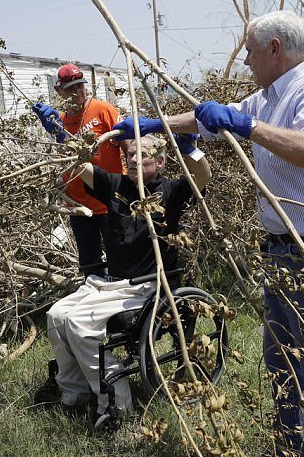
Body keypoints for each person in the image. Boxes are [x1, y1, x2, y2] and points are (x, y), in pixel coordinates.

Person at [116, 11, 304, 457]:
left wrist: (246, 126)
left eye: (250, 51)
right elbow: (206, 122)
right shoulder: (268, 96)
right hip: (282, 249)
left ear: (275, 48)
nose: (246, 60)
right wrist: (153, 125)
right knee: (282, 361)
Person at [41, 134, 211, 426]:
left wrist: (189, 148)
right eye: (130, 154)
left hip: (146, 286)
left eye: (142, 155)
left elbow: (203, 175)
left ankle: (117, 400)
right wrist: (64, 136)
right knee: (56, 316)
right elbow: (82, 166)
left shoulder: (171, 192)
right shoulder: (116, 186)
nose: (133, 159)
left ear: (159, 162)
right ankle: (74, 391)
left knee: (79, 323)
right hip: (111, 283)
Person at [31, 63, 126, 277]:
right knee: (90, 266)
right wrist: (58, 133)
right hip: (79, 207)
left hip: (108, 202)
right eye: (70, 89)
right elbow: (69, 159)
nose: (77, 93)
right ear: (59, 91)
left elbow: (129, 146)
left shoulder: (103, 110)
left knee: (121, 260)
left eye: (80, 87)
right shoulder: (62, 122)